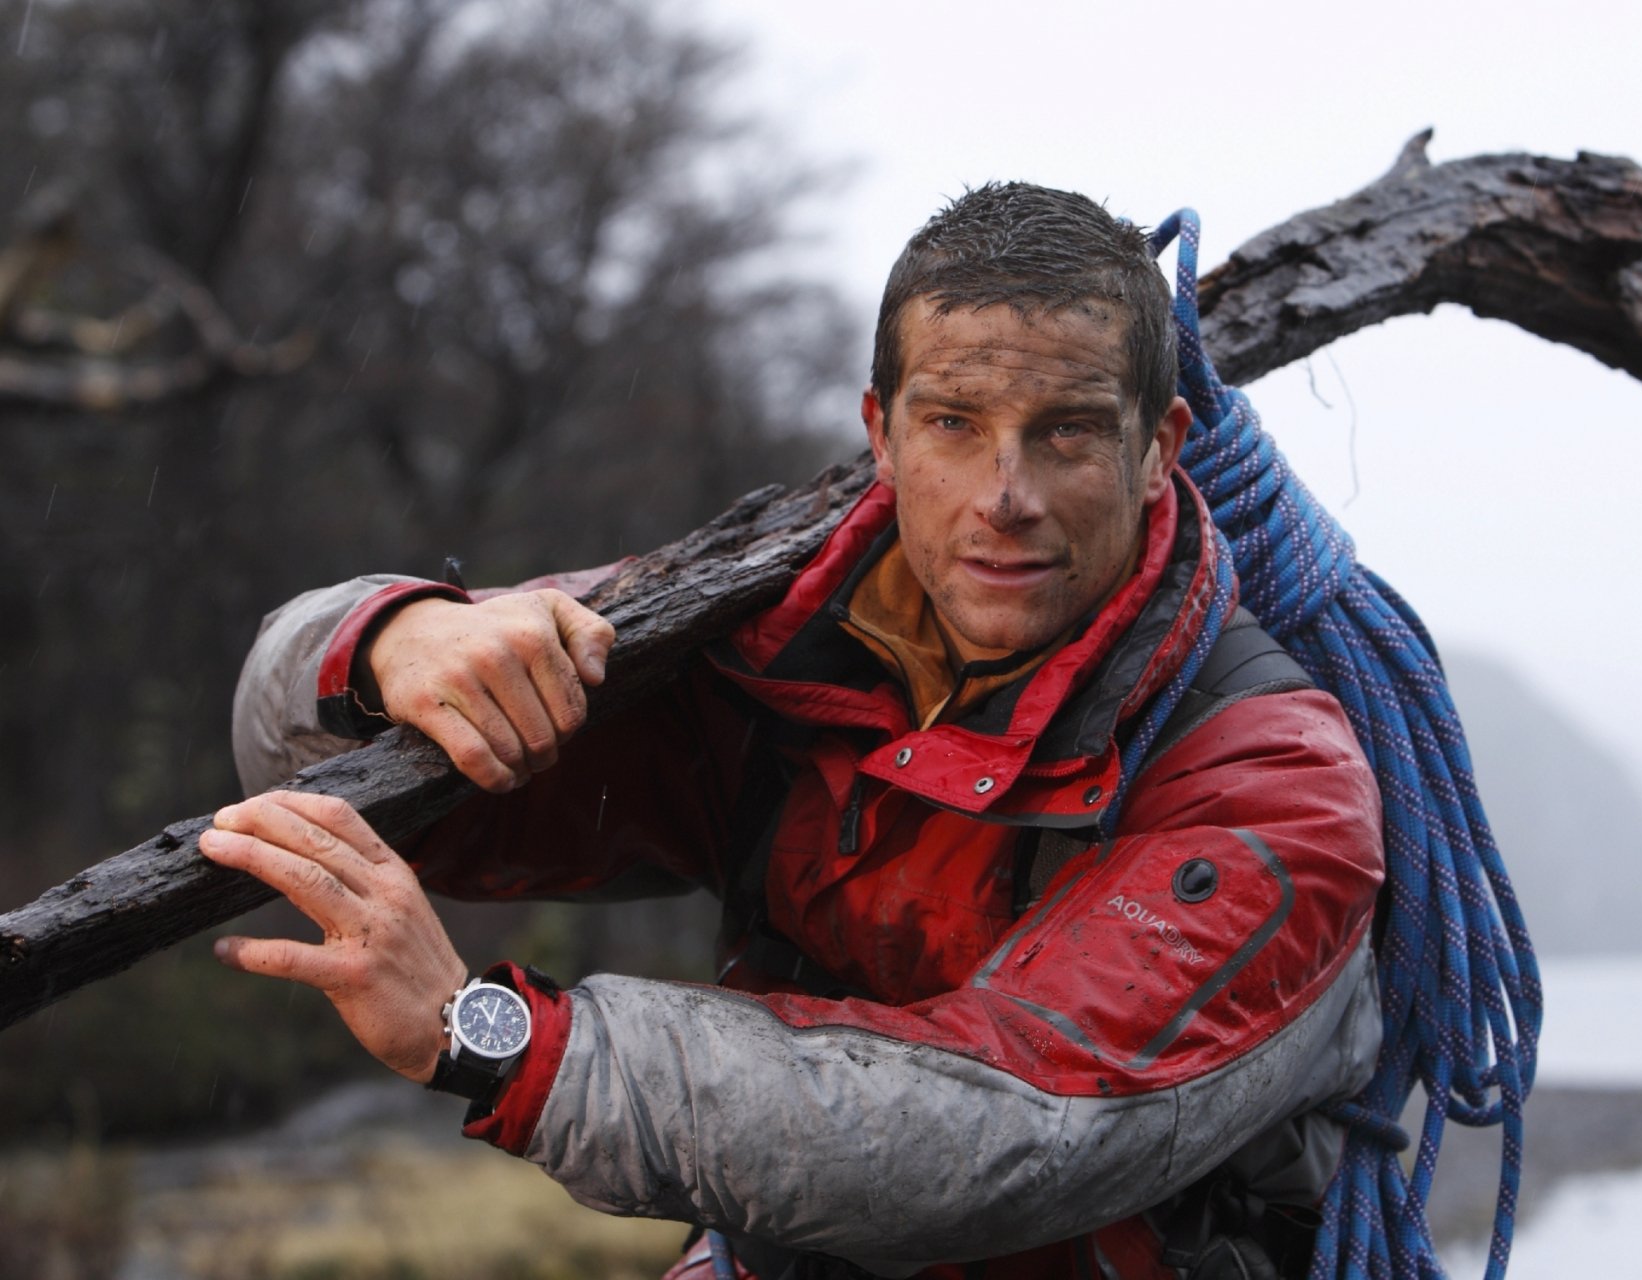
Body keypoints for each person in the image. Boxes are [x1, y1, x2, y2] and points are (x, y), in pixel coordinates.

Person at [207, 183, 1386, 1280]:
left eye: (1068, 431)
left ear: (1159, 449)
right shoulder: (756, 639)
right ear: (882, 430)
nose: (1004, 493)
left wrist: (499, 1039)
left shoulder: (1271, 776)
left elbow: (1017, 1123)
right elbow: (308, 762)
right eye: (955, 423)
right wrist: (387, 642)